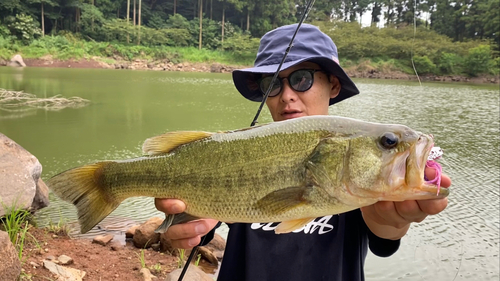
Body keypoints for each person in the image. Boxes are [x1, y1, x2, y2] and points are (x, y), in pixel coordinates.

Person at [155, 23, 451, 280]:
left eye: (302, 79)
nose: (287, 96)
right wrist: (184, 223)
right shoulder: (240, 151)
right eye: (271, 84)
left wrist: (394, 220)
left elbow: (384, 230)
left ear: (333, 84)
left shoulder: (361, 189)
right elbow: (199, 223)